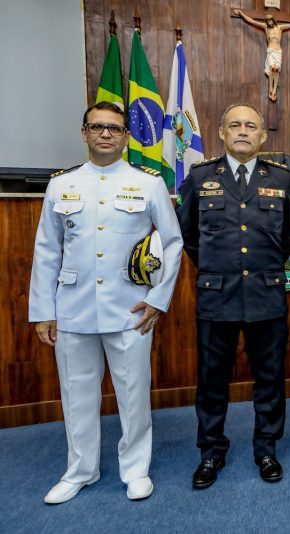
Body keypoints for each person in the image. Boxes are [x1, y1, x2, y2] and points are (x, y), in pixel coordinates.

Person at [29, 101, 183, 503]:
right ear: (84, 133)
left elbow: (172, 242)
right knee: (77, 393)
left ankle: (135, 469)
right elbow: (47, 249)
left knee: (134, 394)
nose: (105, 134)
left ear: (126, 137)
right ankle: (80, 469)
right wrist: (43, 310)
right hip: (72, 309)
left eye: (114, 129)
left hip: (130, 309)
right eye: (97, 127)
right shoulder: (61, 185)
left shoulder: (147, 183)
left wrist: (158, 299)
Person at [176, 104, 290, 489]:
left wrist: (264, 267)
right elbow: (189, 238)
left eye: (251, 126)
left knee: (270, 377)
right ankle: (211, 452)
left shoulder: (282, 179)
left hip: (266, 294)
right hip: (217, 297)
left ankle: (266, 447)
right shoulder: (199, 178)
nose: (243, 131)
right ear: (220, 133)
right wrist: (219, 268)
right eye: (235, 125)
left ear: (263, 136)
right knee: (212, 379)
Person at [235, 10, 290, 102]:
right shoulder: (266, 28)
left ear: (273, 20)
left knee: (277, 70)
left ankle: (274, 90)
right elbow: (252, 21)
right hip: (271, 51)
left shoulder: (280, 28)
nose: (269, 22)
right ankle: (270, 89)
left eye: (270, 20)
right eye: (267, 21)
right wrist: (241, 13)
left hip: (278, 52)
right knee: (272, 68)